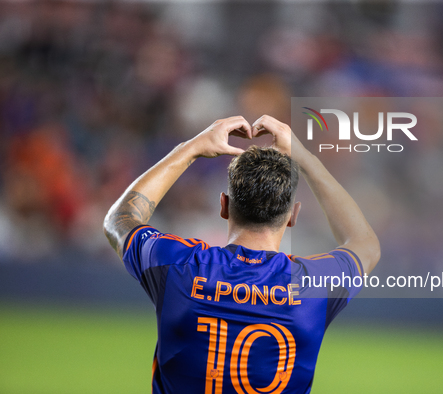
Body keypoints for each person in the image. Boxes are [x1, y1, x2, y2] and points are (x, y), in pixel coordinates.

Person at [103, 115, 380, 394]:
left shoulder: (179, 265)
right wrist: (304, 157)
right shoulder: (313, 286)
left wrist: (192, 148)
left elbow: (119, 220)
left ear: (223, 206)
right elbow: (365, 245)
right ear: (293, 216)